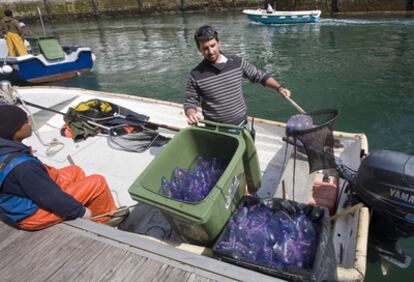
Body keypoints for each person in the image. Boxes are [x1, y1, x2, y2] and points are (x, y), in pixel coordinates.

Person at [0, 104, 117, 230]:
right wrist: (81, 211)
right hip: (32, 215)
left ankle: (86, 202)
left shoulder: (7, 149)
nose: (29, 123)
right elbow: (50, 198)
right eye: (25, 121)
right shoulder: (24, 167)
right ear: (14, 130)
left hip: (20, 199)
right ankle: (103, 221)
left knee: (75, 171)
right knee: (97, 182)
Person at [184, 25, 291, 126]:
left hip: (241, 125)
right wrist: (191, 114)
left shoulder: (236, 62)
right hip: (215, 130)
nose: (210, 51)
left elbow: (260, 76)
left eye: (213, 45)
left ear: (218, 43)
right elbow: (190, 103)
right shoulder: (196, 75)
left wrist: (279, 87)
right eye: (205, 48)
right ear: (199, 49)